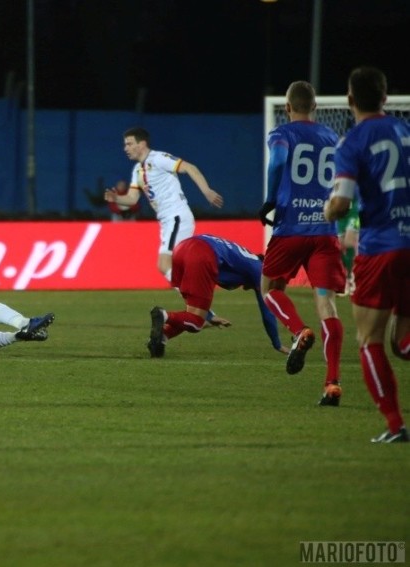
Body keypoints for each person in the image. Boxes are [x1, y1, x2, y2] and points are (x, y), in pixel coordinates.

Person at [323, 66, 410, 443]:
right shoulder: (406, 132)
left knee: (370, 340)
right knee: (402, 343)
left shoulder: (352, 142)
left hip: (381, 247)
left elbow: (341, 203)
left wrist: (327, 211)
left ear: (349, 100)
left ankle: (395, 426)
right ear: (386, 98)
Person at [258, 80, 345, 407]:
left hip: (291, 228)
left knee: (270, 289)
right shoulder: (332, 137)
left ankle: (298, 331)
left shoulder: (282, 134)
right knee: (327, 305)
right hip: (324, 231)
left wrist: (270, 200)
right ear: (316, 108)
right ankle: (332, 383)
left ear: (287, 107)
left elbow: (279, 160)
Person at [103, 127, 224, 281]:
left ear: (141, 144)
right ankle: (201, 296)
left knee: (164, 264)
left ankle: (198, 299)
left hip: (176, 216)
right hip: (167, 222)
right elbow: (132, 198)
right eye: (125, 144)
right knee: (178, 267)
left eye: (129, 144)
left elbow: (189, 167)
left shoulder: (158, 158)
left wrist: (206, 191)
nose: (125, 148)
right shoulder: (137, 170)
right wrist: (116, 199)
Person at [146, 234, 285, 358]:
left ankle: (161, 338)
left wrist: (210, 316)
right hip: (202, 253)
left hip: (182, 248)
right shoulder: (260, 271)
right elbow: (267, 311)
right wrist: (277, 343)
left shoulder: (247, 261)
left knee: (191, 313)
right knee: (196, 322)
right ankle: (164, 315)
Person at [337, 197, 360, 296]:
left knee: (349, 243)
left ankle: (350, 278)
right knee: (340, 245)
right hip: (340, 210)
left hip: (354, 210)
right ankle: (347, 276)